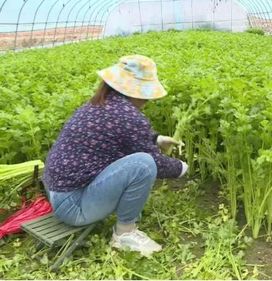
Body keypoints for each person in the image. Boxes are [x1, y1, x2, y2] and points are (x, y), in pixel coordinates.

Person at [43, 55, 187, 256]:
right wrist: (181, 167)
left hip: (57, 194)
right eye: (145, 93)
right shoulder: (127, 116)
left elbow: (121, 136)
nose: (147, 100)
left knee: (137, 159)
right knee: (144, 164)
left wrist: (157, 139)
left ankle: (122, 229)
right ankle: (124, 234)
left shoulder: (100, 104)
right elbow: (156, 163)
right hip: (74, 206)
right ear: (134, 91)